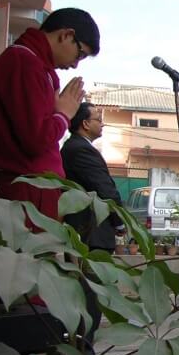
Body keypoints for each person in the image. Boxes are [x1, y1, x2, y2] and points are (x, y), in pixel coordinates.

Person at [0, 8, 99, 219]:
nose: (75, 64)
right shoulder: (24, 62)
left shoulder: (39, 67)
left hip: (34, 191)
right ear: (66, 35)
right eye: (79, 54)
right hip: (24, 194)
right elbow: (36, 140)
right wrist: (63, 115)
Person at [60, 102, 125, 250]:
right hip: (91, 234)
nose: (103, 124)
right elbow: (104, 189)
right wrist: (119, 221)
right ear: (86, 124)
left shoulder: (74, 146)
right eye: (98, 120)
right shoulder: (81, 150)